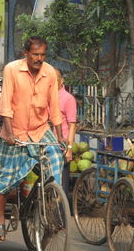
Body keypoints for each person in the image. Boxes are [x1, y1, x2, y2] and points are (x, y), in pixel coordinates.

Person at [0, 36, 65, 242]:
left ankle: (50, 212)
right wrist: (10, 134)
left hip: (41, 129)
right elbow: (6, 104)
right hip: (15, 130)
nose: (39, 58)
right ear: (26, 54)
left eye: (42, 55)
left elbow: (55, 107)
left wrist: (60, 137)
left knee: (57, 162)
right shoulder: (12, 70)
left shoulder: (50, 72)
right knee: (6, 178)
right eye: (35, 54)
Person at [55, 68, 77, 196]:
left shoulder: (68, 99)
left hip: (61, 146)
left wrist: (69, 148)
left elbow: (72, 125)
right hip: (47, 143)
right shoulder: (48, 96)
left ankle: (62, 211)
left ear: (61, 80)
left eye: (55, 77)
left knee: (62, 184)